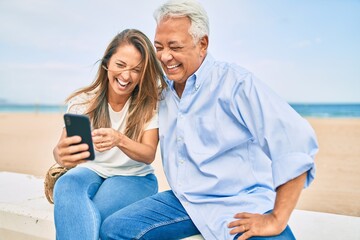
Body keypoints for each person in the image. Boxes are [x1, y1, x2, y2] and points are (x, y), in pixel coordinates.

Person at [100, 1, 319, 239]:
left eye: (174, 46)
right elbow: (119, 93)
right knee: (114, 229)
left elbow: (294, 141)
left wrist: (276, 219)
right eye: (159, 47)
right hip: (184, 202)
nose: (165, 56)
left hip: (240, 204)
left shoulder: (236, 84)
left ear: (202, 44)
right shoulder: (162, 91)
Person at [52, 29, 166, 240]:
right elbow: (62, 154)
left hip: (134, 177)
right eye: (120, 65)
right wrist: (61, 154)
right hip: (91, 170)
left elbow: (148, 154)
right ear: (106, 64)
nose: (126, 76)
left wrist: (119, 139)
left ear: (143, 74)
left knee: (94, 217)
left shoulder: (149, 105)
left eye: (136, 70)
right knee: (66, 183)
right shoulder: (84, 101)